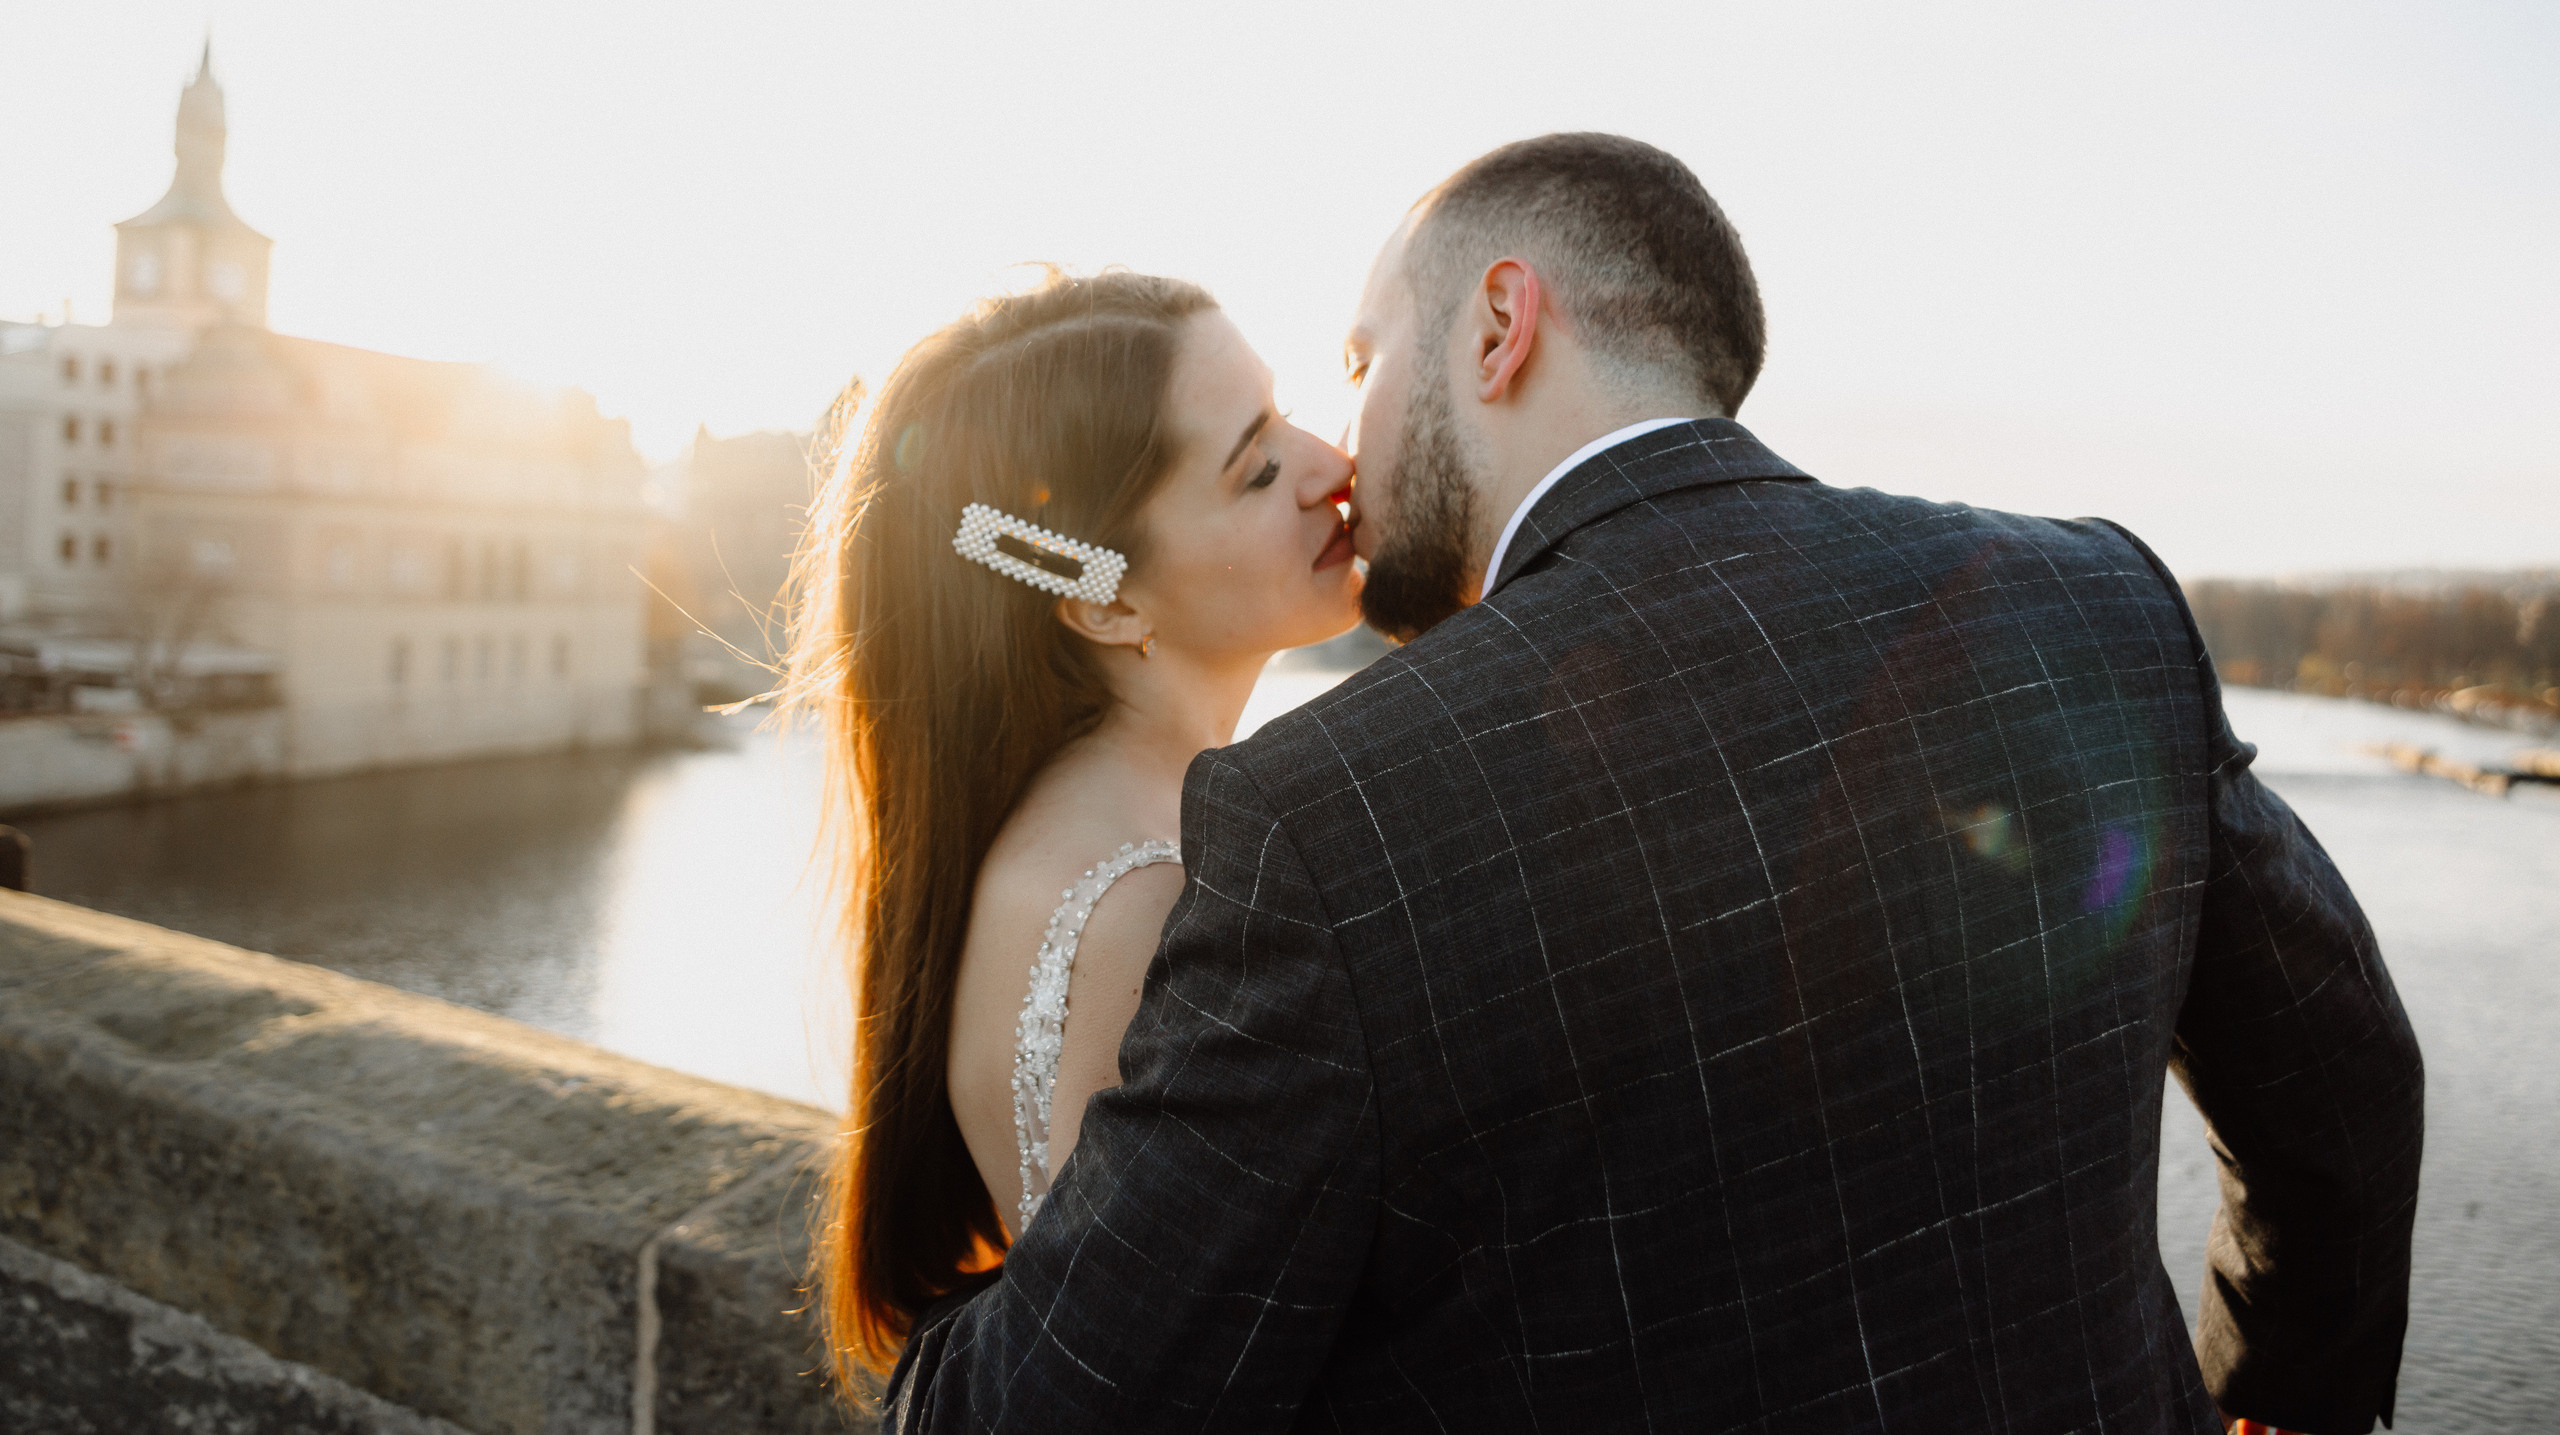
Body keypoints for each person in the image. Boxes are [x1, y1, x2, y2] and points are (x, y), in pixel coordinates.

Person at [872, 137, 2425, 1433]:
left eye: (1358, 363)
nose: (1340, 443)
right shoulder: (2093, 601)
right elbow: (2346, 1102)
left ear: (1499, 326)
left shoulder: (1332, 812)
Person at [786, 268, 1363, 1378]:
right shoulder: (1140, 898)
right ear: (1102, 597)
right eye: (1255, 468)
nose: (1331, 468)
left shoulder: (1099, 826)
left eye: (1287, 416)